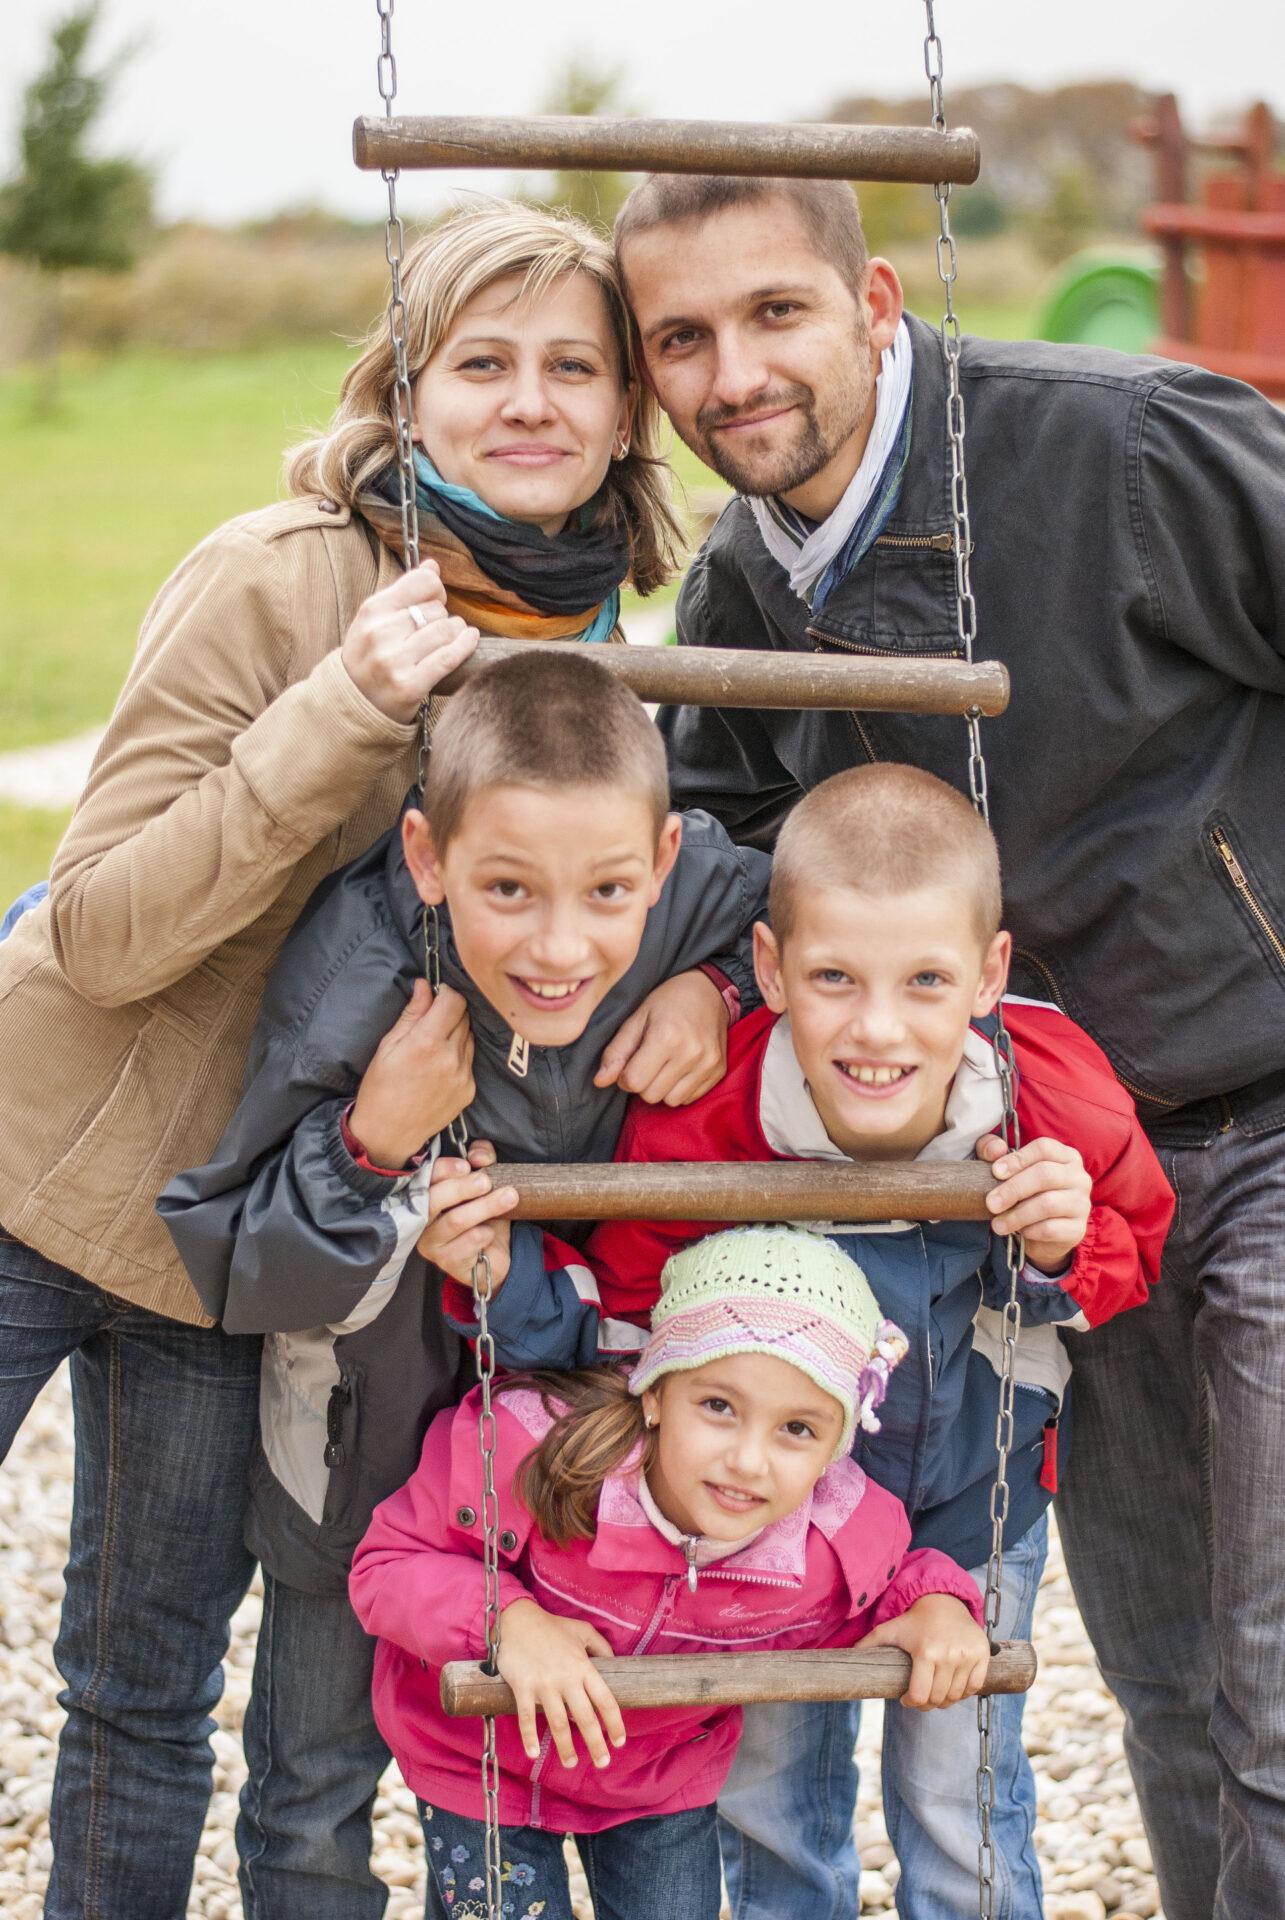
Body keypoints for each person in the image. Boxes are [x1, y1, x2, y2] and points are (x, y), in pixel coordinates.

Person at [0, 201, 737, 1920]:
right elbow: (100, 931)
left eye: (575, 365)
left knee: (141, 1685)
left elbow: (622, 900)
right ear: (405, 389)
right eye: (483, 362)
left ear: (630, 408)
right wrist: (338, 705)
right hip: (44, 1168)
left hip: (238, 1239)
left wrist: (703, 978)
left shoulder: (609, 656)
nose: (531, 401)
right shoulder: (284, 575)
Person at [610, 170, 1285, 1920]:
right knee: (1166, 1682)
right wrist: (704, 970)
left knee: (1281, 1689)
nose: (732, 370)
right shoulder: (752, 584)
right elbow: (724, 816)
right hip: (1046, 1193)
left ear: (877, 298)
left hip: (1264, 1105)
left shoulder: (1129, 452)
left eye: (775, 313)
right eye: (681, 337)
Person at [427, 760, 1174, 1920]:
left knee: (959, 1803)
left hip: (970, 1505)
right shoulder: (705, 1113)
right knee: (769, 1802)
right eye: (833, 978)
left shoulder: (1052, 1092)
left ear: (988, 975)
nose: (878, 1029)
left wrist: (1059, 1240)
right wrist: (503, 1278)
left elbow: (1133, 1253)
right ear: (768, 971)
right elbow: (626, 1321)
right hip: (760, 1515)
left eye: (926, 981)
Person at [159, 646, 770, 1910]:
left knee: (594, 1748)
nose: (560, 945)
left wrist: (717, 987)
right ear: (429, 857)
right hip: (363, 1439)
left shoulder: (703, 892)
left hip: (570, 1436)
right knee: (316, 1783)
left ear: (662, 864)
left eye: (609, 892)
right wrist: (369, 1148)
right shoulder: (358, 968)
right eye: (506, 889)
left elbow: (805, 919)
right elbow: (240, 1264)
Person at [349, 1224, 992, 1920]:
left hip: (660, 1779)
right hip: (479, 1766)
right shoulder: (533, 1449)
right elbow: (390, 1564)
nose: (748, 1461)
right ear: (653, 1394)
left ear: (834, 1449)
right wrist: (510, 1620)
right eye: (718, 1407)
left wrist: (941, 1609)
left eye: (797, 1430)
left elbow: (897, 1586)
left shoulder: (833, 1541)